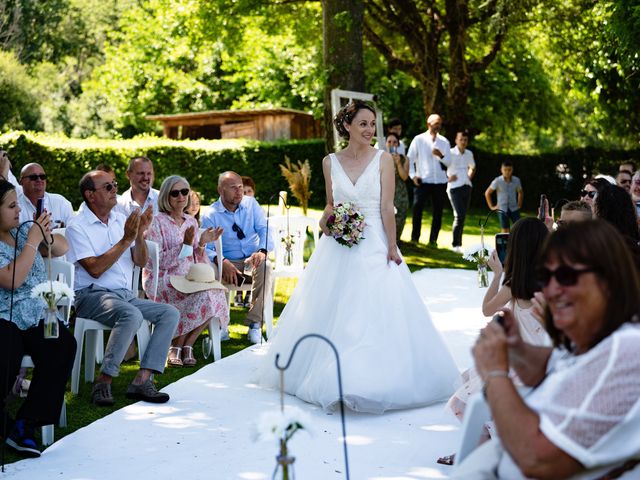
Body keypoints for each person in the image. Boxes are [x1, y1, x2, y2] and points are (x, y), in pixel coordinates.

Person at [257, 100, 459, 413]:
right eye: (362, 123)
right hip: (337, 245)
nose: (368, 130)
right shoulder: (329, 162)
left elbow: (386, 207)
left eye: (371, 124)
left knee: (372, 309)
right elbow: (330, 203)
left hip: (375, 240)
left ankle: (368, 381)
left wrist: (392, 246)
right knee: (334, 309)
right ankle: (330, 378)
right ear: (347, 126)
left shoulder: (384, 160)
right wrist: (325, 220)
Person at [453, 220, 640, 479]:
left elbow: (537, 460)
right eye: (546, 276)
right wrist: (516, 346)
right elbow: (552, 365)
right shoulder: (594, 334)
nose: (551, 289)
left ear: (607, 280)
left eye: (565, 276)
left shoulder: (625, 349)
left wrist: (496, 375)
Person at [441, 218, 551, 465]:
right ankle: (484, 451)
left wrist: (497, 275)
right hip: (540, 361)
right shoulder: (552, 284)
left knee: (465, 401)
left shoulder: (515, 285)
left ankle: (478, 454)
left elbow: (487, 309)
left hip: (515, 363)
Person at [66, 170, 179, 406]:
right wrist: (127, 238)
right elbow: (95, 269)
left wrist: (139, 236)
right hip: (91, 295)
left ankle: (142, 379)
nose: (114, 189)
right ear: (90, 195)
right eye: (107, 187)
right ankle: (103, 380)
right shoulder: (77, 226)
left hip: (125, 295)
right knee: (131, 314)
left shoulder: (119, 218)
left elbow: (139, 261)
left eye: (114, 185)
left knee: (169, 313)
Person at [0, 180, 75, 458]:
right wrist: (32, 240)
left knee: (63, 345)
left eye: (17, 204)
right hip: (4, 318)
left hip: (35, 316)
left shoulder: (22, 232)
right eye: (10, 206)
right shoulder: (19, 238)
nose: (18, 210)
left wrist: (44, 234)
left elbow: (62, 248)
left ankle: (25, 424)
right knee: (7, 352)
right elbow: (11, 280)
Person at [143, 175, 228, 366]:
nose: (181, 196)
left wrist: (202, 243)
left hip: (189, 275)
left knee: (214, 292)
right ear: (166, 196)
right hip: (163, 277)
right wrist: (186, 245)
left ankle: (187, 344)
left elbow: (196, 258)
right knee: (196, 295)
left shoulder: (191, 221)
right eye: (175, 193)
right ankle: (175, 346)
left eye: (184, 192)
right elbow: (157, 261)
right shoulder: (157, 222)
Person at [201, 171, 274, 344]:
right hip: (225, 262)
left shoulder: (251, 204)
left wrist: (262, 251)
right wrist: (222, 261)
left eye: (241, 187)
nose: (239, 191)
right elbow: (206, 247)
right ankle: (220, 325)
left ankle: (255, 325)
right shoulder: (211, 214)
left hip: (251, 259)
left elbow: (264, 229)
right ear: (221, 190)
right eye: (233, 188)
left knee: (267, 267)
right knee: (207, 271)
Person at [407, 113, 451, 246]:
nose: (438, 126)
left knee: (438, 211)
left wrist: (441, 155)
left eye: (440, 123)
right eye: (436, 123)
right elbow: (409, 160)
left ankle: (433, 240)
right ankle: (415, 238)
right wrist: (413, 176)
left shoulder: (444, 141)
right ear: (429, 124)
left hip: (440, 182)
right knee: (417, 208)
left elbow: (450, 162)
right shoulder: (418, 139)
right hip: (423, 180)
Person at [18, 163, 74, 228]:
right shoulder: (14, 207)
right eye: (33, 177)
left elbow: (74, 232)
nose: (39, 180)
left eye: (42, 176)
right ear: (21, 182)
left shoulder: (61, 202)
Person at [447, 131, 476, 252]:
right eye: (461, 139)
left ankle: (459, 244)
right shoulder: (450, 153)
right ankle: (455, 244)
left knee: (462, 216)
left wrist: (469, 177)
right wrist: (447, 178)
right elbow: (440, 166)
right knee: (459, 216)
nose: (463, 142)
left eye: (465, 140)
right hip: (454, 187)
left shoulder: (469, 153)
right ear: (456, 140)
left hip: (466, 186)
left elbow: (473, 167)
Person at [485, 160, 523, 233]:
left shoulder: (516, 180)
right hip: (502, 208)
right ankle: (505, 244)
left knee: (518, 227)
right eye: (505, 170)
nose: (507, 172)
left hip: (514, 208)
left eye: (509, 170)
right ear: (501, 170)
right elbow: (487, 193)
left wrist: (519, 204)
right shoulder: (497, 181)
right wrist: (492, 207)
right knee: (505, 229)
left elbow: (520, 192)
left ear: (512, 170)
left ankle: (515, 243)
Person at [386, 132, 410, 241]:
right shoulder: (381, 158)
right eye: (389, 142)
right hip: (386, 195)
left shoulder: (404, 158)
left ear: (398, 144)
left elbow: (405, 177)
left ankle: (397, 246)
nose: (392, 144)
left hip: (400, 196)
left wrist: (398, 163)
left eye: (394, 142)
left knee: (399, 223)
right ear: (386, 144)